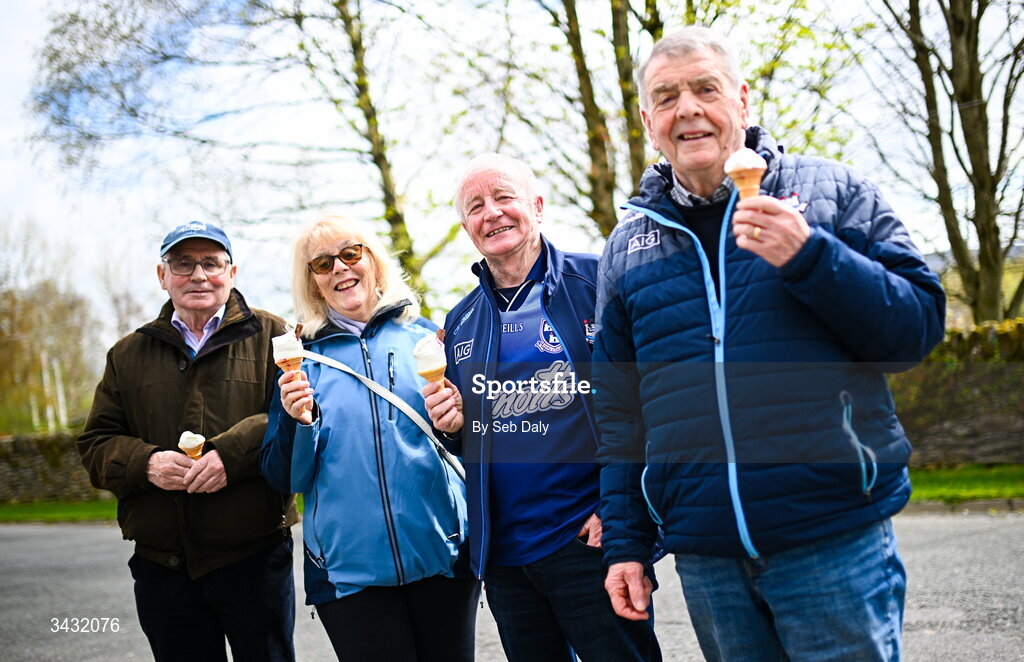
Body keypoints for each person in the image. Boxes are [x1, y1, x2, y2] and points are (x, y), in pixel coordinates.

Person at [593, 26, 947, 662]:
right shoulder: (626, 248)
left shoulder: (832, 194)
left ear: (743, 100)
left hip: (830, 537)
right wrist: (626, 543)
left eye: (707, 88)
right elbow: (621, 416)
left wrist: (813, 258)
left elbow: (914, 331)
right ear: (648, 120)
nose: (689, 109)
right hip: (708, 558)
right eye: (667, 97)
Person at [422, 154, 661, 662]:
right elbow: (473, 437)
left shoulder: (599, 281)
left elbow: (654, 401)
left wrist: (623, 515)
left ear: (537, 205)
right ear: (466, 228)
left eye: (503, 197)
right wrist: (452, 425)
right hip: (507, 560)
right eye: (475, 206)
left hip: (591, 542)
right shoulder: (460, 321)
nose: (492, 213)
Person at [259, 215, 478, 662]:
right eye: (322, 263)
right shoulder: (302, 362)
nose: (339, 268)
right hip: (349, 579)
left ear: (373, 260)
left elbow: (471, 449)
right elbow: (286, 477)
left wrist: (458, 425)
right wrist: (298, 420)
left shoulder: (429, 340)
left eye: (350, 253)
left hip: (443, 562)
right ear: (312, 281)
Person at [78, 221, 298, 662]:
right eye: (183, 264)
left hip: (254, 558)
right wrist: (145, 463)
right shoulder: (127, 354)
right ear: (163, 276)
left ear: (232, 273)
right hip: (164, 566)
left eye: (211, 263)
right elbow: (97, 444)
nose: (199, 275)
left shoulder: (278, 337)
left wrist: (228, 456)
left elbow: (293, 417)